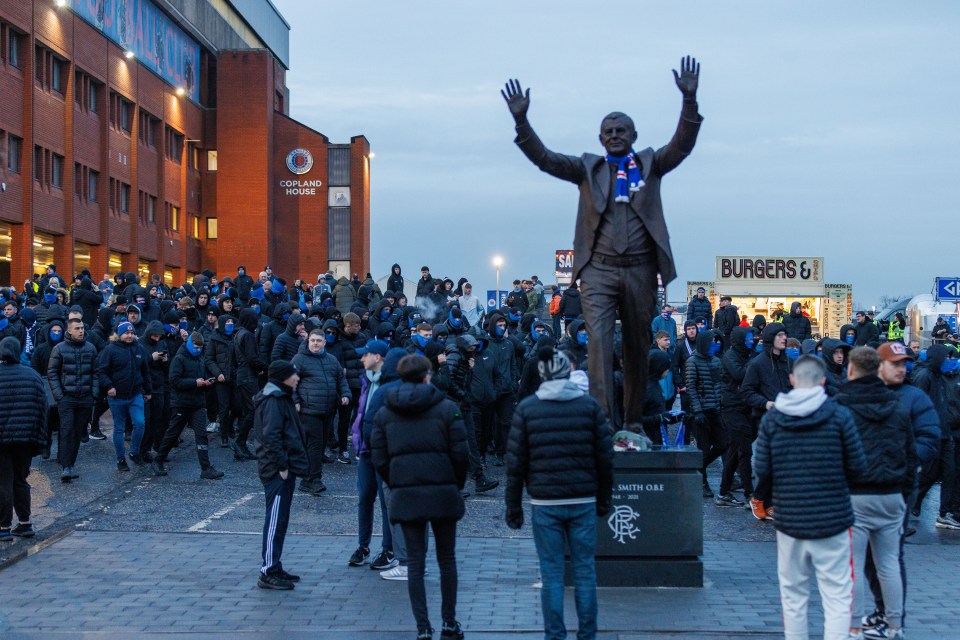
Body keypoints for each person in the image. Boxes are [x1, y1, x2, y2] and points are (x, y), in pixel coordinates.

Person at [753, 355, 866, 640]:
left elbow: (762, 469)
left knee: (793, 595)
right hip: (834, 518)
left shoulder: (774, 419)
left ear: (792, 379)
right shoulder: (839, 416)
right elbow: (858, 467)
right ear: (824, 381)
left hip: (790, 518)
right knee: (838, 594)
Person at [505, 347, 613, 640]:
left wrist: (513, 507)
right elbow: (605, 459)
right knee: (584, 572)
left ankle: (555, 635)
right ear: (568, 373)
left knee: (552, 574)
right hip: (583, 500)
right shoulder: (589, 408)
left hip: (545, 502)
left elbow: (515, 465)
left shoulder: (528, 409)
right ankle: (587, 634)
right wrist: (604, 498)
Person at [371, 355, 469, 640]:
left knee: (415, 563)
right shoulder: (447, 408)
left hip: (407, 492)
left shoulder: (386, 411)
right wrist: (454, 482)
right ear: (427, 375)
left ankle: (423, 628)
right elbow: (461, 453)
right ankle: (449, 623)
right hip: (442, 491)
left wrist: (397, 481)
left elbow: (379, 457)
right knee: (447, 559)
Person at [835, 348, 915, 640]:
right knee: (889, 564)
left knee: (852, 565)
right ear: (878, 369)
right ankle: (895, 625)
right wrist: (905, 494)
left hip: (855, 495)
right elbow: (909, 454)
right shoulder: (896, 405)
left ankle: (854, 626)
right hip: (892, 494)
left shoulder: (841, 405)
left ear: (852, 370)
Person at [252, 359, 309, 590]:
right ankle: (268, 571)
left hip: (281, 469)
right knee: (275, 520)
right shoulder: (274, 400)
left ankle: (274, 565)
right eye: (294, 375)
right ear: (283, 377)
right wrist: (283, 467)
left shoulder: (279, 397)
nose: (297, 379)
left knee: (280, 520)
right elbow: (272, 436)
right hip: (277, 471)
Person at [151, 332, 224, 480]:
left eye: (200, 347)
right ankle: (158, 460)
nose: (198, 350)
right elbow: (174, 381)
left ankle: (205, 467)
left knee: (202, 435)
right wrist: (195, 383)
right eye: (196, 347)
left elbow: (200, 379)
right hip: (181, 403)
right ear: (190, 344)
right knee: (173, 434)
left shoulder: (200, 360)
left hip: (197, 403)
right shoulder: (179, 359)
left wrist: (207, 383)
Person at [740, 322, 792, 520]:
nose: (784, 339)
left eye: (785, 335)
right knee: (771, 463)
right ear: (771, 338)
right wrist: (765, 403)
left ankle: (769, 504)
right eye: (780, 335)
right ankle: (758, 498)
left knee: (781, 465)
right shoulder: (758, 363)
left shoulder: (788, 362)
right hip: (766, 419)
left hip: (787, 419)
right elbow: (746, 391)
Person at [292, 329, 350, 496]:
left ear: (325, 342)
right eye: (312, 340)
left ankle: (306, 479)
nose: (315, 343)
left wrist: (345, 395)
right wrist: (295, 401)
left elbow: (341, 380)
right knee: (315, 445)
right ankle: (314, 479)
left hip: (328, 410)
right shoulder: (299, 359)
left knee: (321, 444)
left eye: (319, 340)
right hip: (309, 410)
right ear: (308, 342)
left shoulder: (332, 360)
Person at [0, 337, 48, 542]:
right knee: (20, 479)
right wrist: (39, 439)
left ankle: (3, 527)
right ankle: (25, 523)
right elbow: (42, 408)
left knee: (3, 482)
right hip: (26, 440)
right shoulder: (32, 375)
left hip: (1, 441)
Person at [912, 344, 960, 528]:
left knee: (949, 472)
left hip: (945, 432)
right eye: (945, 357)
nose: (949, 361)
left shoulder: (939, 377)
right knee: (930, 473)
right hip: (933, 432)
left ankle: (945, 512)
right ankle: (912, 502)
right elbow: (920, 404)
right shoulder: (925, 377)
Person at [47, 318, 99, 482]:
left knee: (77, 432)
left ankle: (71, 463)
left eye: (82, 328)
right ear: (69, 331)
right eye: (77, 328)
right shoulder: (59, 349)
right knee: (67, 431)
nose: (81, 331)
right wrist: (59, 395)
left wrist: (94, 394)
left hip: (85, 398)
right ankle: (66, 466)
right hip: (67, 398)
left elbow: (96, 372)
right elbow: (52, 372)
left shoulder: (90, 348)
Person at [97, 321, 152, 471]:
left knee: (140, 423)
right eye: (126, 333)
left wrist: (148, 390)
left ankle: (134, 452)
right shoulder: (110, 350)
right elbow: (101, 371)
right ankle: (120, 458)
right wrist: (109, 386)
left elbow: (145, 371)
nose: (129, 336)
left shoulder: (139, 348)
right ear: (119, 334)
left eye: (131, 333)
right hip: (116, 397)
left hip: (135, 394)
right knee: (119, 429)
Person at [716, 326, 755, 507]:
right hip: (732, 407)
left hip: (742, 406)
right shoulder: (730, 356)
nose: (751, 341)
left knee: (733, 450)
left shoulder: (746, 354)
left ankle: (723, 492)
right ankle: (749, 494)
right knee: (744, 450)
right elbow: (739, 374)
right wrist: (753, 362)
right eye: (748, 339)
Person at [685, 329, 724, 497]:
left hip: (715, 410)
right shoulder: (692, 361)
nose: (714, 345)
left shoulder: (716, 361)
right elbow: (691, 387)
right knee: (704, 448)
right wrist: (697, 410)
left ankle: (698, 467)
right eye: (712, 342)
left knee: (723, 443)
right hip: (700, 412)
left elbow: (719, 385)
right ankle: (702, 482)